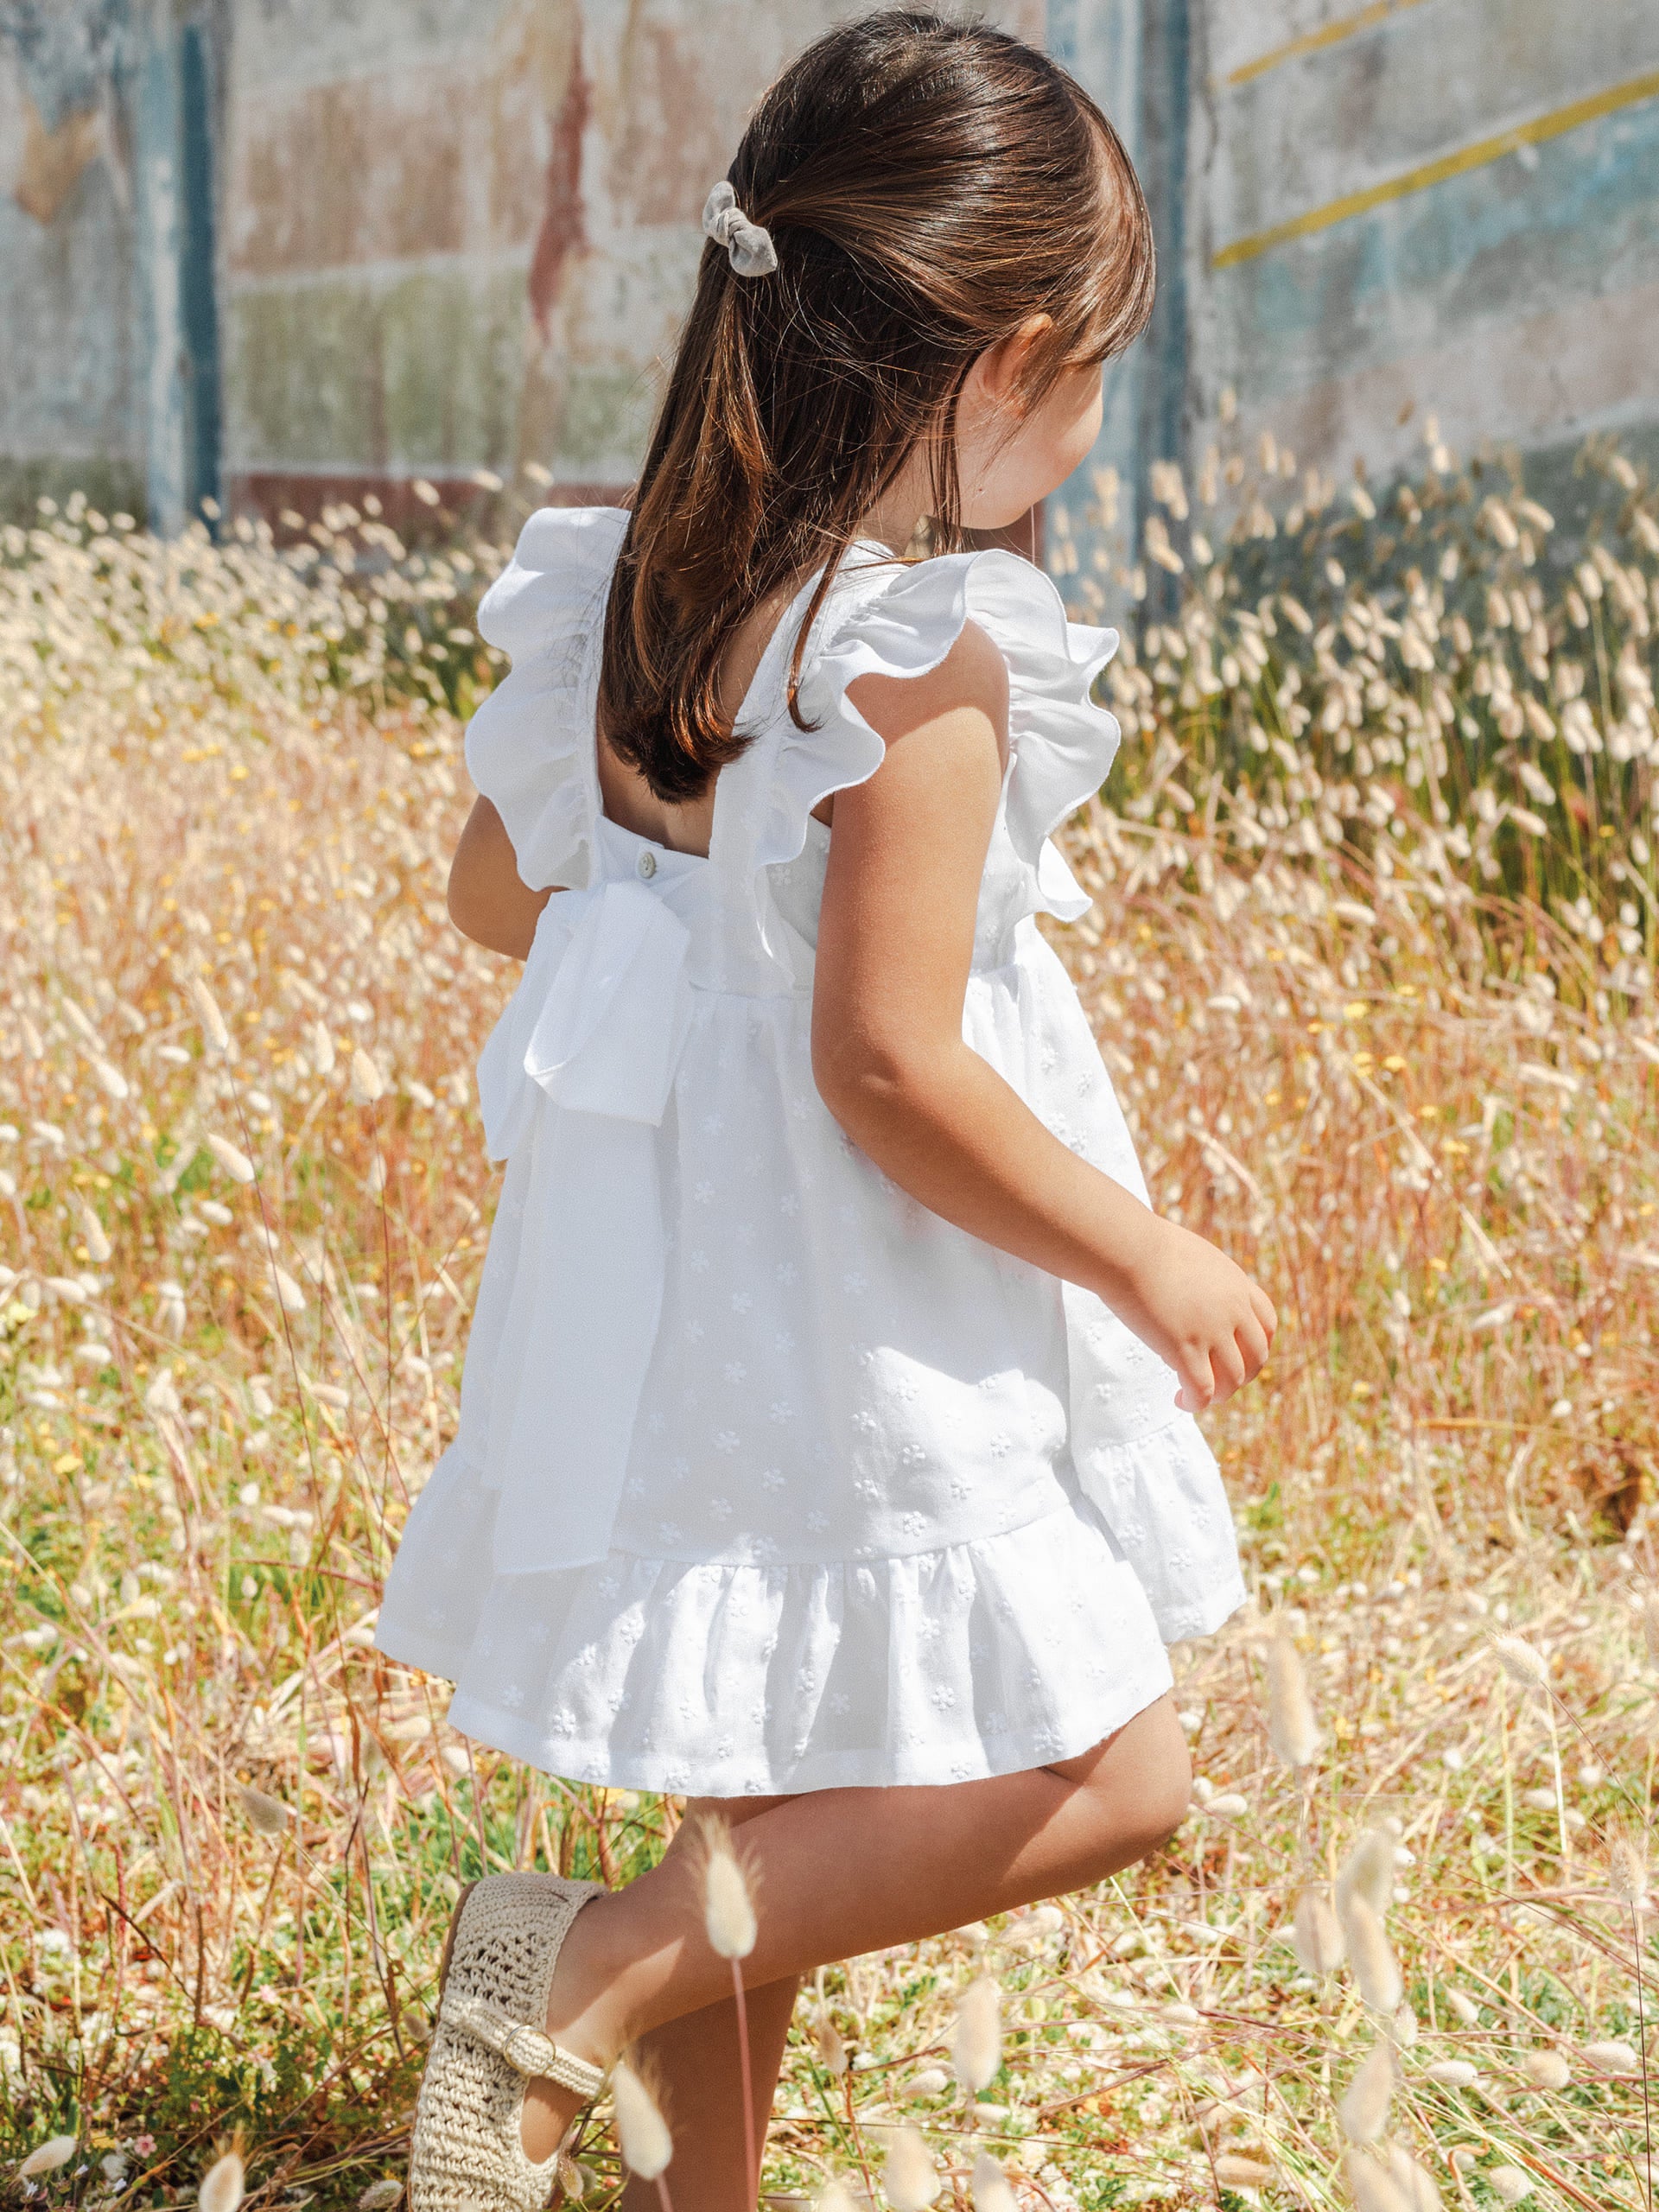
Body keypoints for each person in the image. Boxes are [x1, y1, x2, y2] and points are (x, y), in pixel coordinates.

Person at [374, 13, 1275, 2211]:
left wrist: (678, 918)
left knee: (779, 1756)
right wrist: (1140, 1248)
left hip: (683, 1281)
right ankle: (580, 1966)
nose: (1086, 425)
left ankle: (694, 2158)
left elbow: (501, 890)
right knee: (1120, 1763)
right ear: (1010, 359)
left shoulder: (644, 587)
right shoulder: (923, 656)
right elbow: (889, 1066)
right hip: (878, 1320)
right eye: (1093, 375)